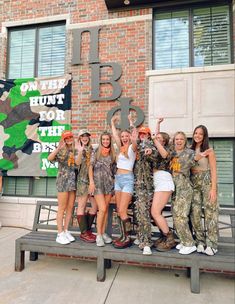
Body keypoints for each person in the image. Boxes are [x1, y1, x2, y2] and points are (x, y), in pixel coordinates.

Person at [169, 131, 211, 255]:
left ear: (185, 141)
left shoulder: (190, 152)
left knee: (181, 215)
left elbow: (195, 158)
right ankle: (183, 240)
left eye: (181, 139)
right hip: (174, 186)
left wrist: (202, 154)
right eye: (177, 139)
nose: (179, 141)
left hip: (184, 186)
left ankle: (189, 244)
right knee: (176, 214)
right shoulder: (172, 153)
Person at [190, 125, 219, 256]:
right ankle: (200, 241)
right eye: (196, 133)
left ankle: (212, 244)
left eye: (200, 134)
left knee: (210, 213)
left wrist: (213, 189)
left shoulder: (209, 151)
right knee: (195, 213)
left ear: (204, 136)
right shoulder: (190, 150)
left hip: (207, 181)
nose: (197, 135)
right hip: (194, 182)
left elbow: (213, 170)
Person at [110, 115, 137, 249]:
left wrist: (131, 123)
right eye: (123, 137)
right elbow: (115, 135)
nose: (124, 138)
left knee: (123, 210)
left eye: (127, 136)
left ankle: (127, 237)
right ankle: (123, 235)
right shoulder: (120, 149)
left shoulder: (132, 148)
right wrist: (112, 123)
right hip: (118, 180)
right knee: (119, 211)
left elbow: (135, 137)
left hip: (127, 180)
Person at [48, 130, 76, 245]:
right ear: (63, 139)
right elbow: (49, 158)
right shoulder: (61, 149)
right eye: (67, 138)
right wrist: (58, 148)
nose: (69, 139)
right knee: (62, 207)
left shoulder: (75, 149)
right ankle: (59, 233)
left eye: (70, 137)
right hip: (63, 181)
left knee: (70, 207)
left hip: (72, 181)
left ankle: (66, 230)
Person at [151, 118, 176, 251]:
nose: (156, 138)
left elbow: (165, 154)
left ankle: (170, 239)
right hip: (158, 181)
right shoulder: (156, 147)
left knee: (155, 212)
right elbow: (156, 137)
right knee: (156, 212)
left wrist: (156, 139)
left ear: (164, 141)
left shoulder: (166, 150)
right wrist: (157, 124)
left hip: (164, 181)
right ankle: (164, 236)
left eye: (160, 138)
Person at [133, 124, 158, 255]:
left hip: (146, 186)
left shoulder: (149, 146)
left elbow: (154, 155)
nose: (142, 136)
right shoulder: (137, 146)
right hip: (136, 186)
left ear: (148, 135)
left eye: (145, 134)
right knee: (139, 212)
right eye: (141, 134)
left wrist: (150, 152)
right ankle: (140, 236)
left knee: (144, 213)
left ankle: (147, 242)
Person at [89, 131, 116, 247]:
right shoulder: (96, 151)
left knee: (104, 211)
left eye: (107, 139)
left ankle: (103, 232)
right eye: (103, 139)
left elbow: (114, 171)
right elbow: (90, 167)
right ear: (101, 140)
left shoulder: (113, 154)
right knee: (103, 208)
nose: (105, 141)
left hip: (108, 185)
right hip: (98, 184)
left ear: (110, 141)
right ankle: (98, 235)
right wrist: (91, 182)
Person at [75, 129, 97, 243]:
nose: (84, 138)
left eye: (86, 136)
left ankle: (87, 231)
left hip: (91, 181)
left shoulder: (92, 149)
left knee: (94, 206)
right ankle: (84, 233)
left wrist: (92, 182)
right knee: (82, 206)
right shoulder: (77, 149)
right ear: (79, 138)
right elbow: (77, 163)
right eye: (82, 136)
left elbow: (92, 166)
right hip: (83, 181)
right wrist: (80, 150)